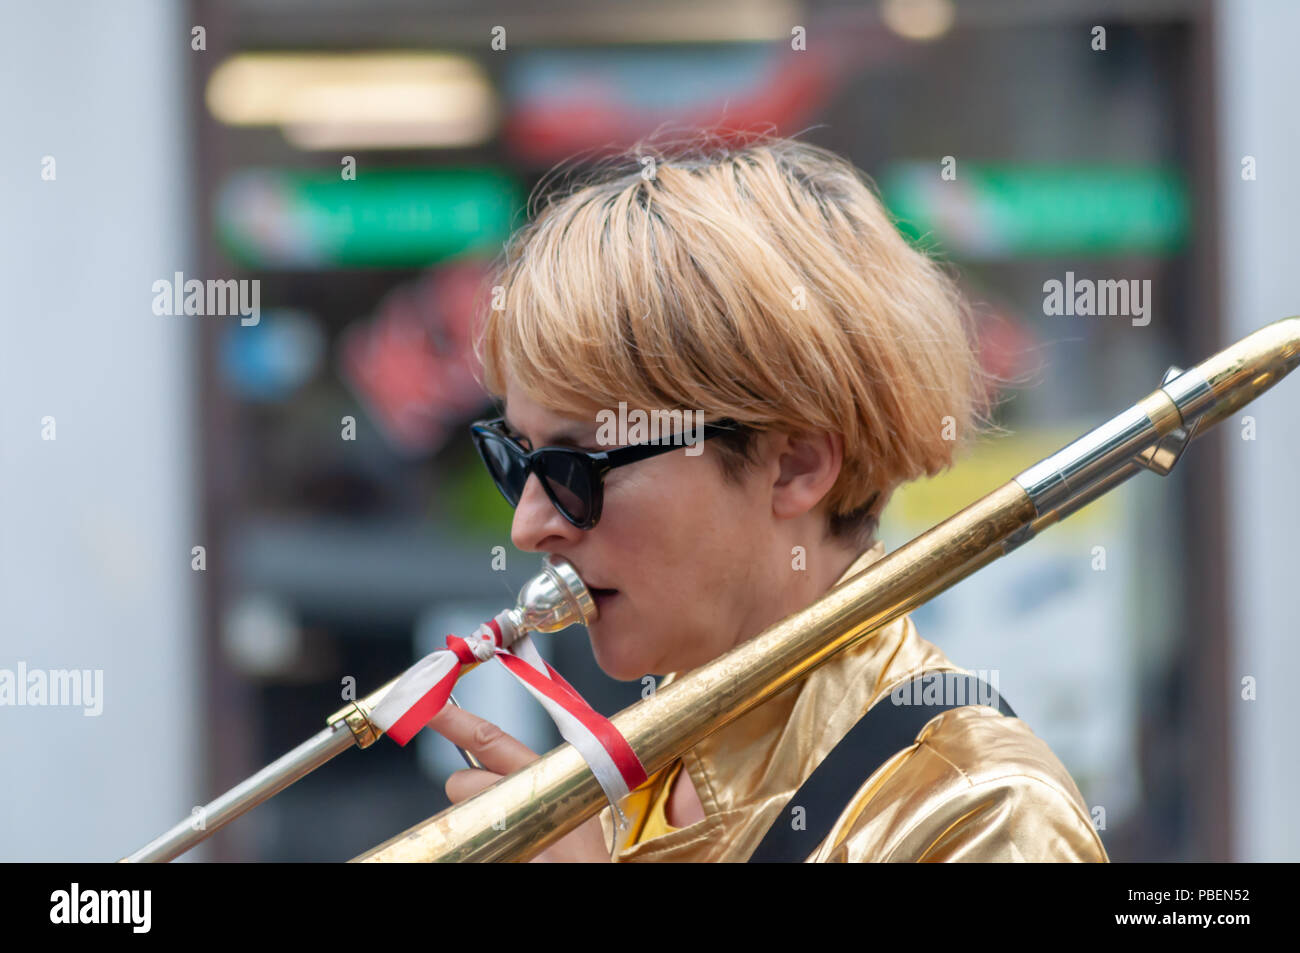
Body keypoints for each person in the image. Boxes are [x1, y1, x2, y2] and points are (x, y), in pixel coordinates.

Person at [425, 129, 1108, 863]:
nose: (530, 523)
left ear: (794, 466)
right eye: (515, 458)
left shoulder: (985, 808)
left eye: (580, 464)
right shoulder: (638, 770)